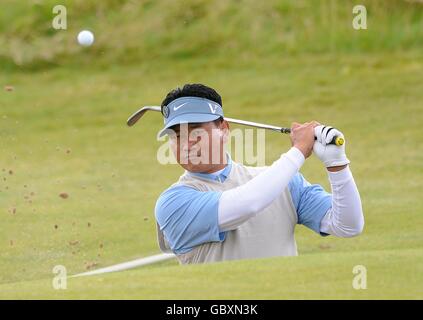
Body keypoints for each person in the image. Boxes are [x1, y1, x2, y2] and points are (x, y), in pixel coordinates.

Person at [155, 83, 364, 264]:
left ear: (224, 129)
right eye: (178, 135)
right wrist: (299, 151)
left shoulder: (283, 182)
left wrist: (337, 164)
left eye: (197, 130)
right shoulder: (173, 202)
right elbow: (248, 203)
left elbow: (348, 225)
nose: (188, 142)